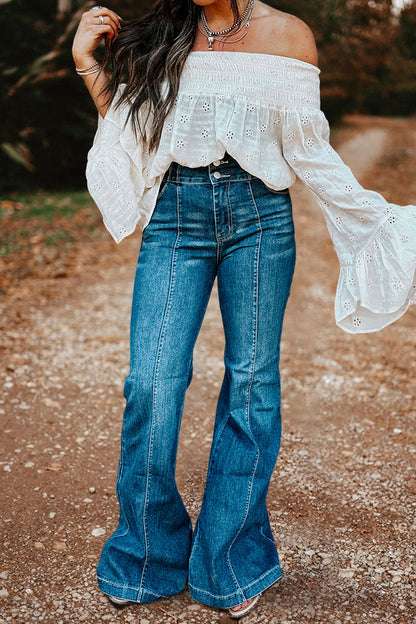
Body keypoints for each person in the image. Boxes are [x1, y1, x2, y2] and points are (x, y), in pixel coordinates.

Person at [72, 0, 416, 619]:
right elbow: (131, 128)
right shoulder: (166, 34)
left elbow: (310, 152)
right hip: (176, 216)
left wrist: (378, 220)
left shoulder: (290, 35)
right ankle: (147, 552)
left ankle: (229, 562)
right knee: (151, 382)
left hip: (261, 219)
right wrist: (85, 63)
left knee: (252, 382)